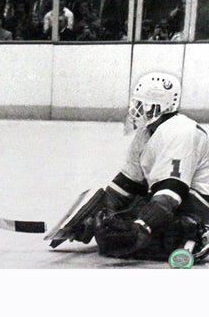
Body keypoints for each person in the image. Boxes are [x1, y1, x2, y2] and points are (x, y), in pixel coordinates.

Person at [49, 72, 209, 263]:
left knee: (134, 237)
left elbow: (171, 193)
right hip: (176, 198)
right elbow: (126, 185)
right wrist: (91, 216)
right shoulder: (146, 133)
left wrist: (141, 226)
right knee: (111, 232)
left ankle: (198, 234)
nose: (135, 109)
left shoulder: (180, 131)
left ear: (159, 106)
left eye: (141, 104)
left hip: (199, 203)